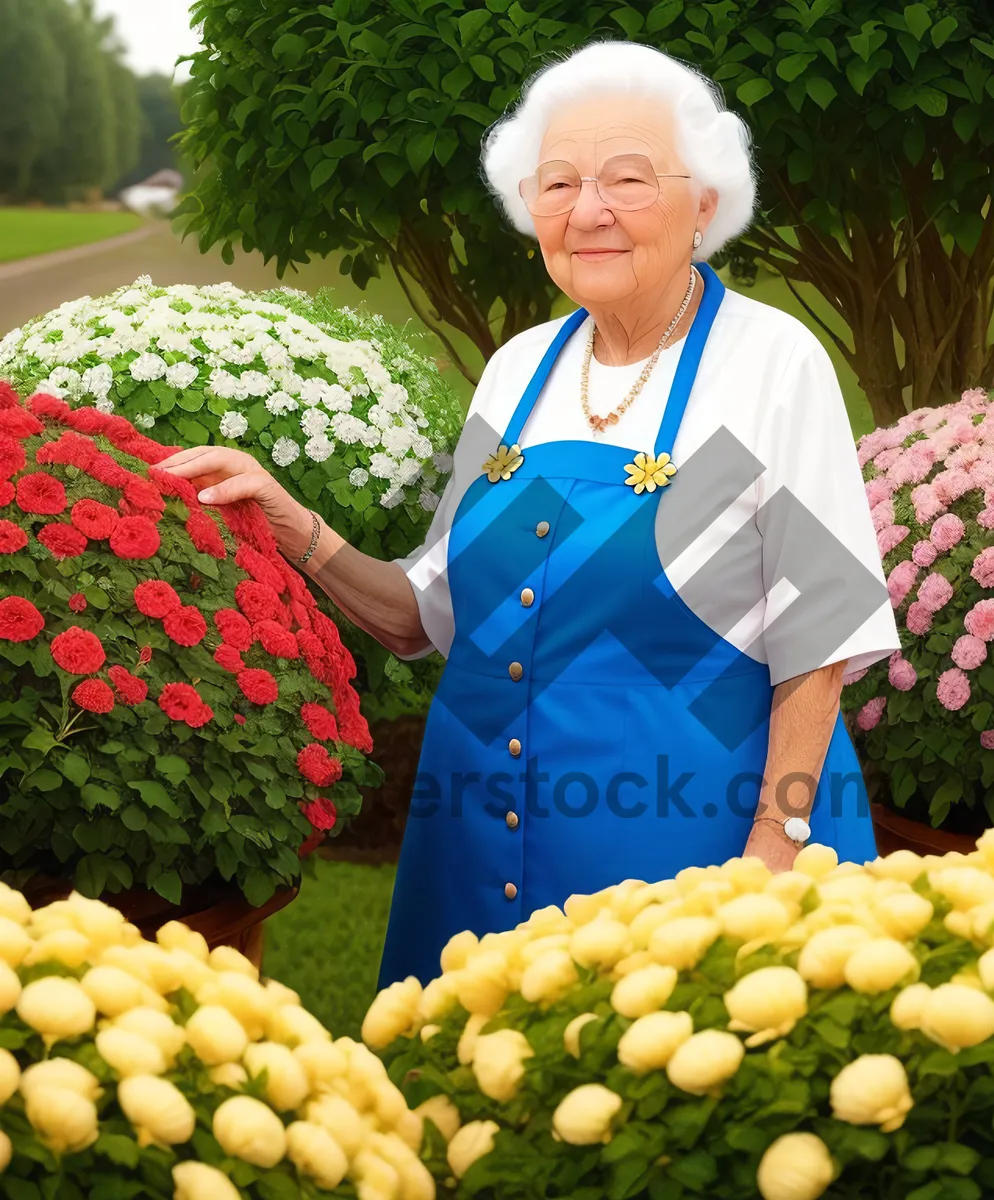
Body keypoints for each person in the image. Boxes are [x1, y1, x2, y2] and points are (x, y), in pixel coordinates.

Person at [159, 41, 900, 987]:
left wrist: (780, 841)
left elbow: (821, 639)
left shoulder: (766, 362)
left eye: (628, 179)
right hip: (472, 852)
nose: (588, 211)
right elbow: (424, 615)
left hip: (693, 852)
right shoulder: (521, 370)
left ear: (704, 204)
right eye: (558, 184)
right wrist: (290, 518)